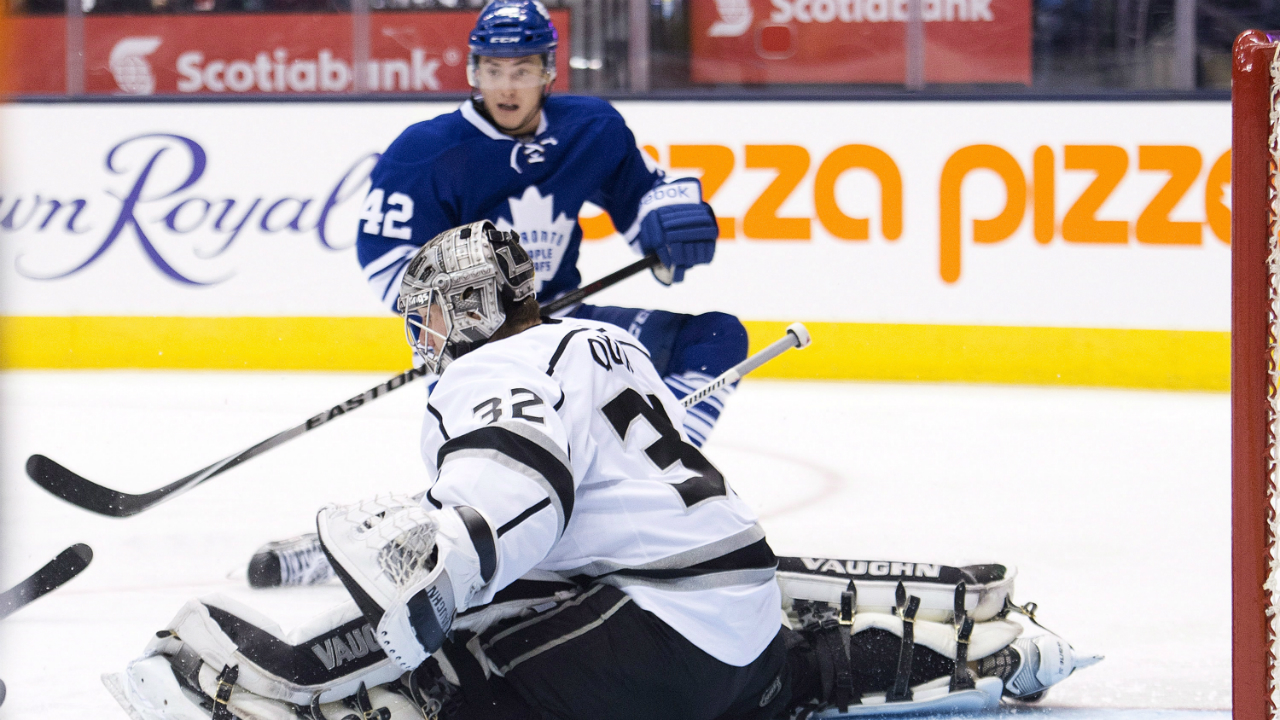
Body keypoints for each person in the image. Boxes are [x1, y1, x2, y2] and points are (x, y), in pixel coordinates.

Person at [105, 223, 1101, 720]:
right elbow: (574, 489)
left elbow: (518, 492)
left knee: (462, 676)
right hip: (729, 611)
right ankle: (907, 661)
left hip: (664, 625)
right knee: (706, 667)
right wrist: (377, 543)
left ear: (480, 307)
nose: (425, 333)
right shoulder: (597, 343)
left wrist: (436, 578)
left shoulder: (488, 373)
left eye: (437, 311)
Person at [245, 0, 743, 589]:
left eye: (523, 69)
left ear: (550, 72)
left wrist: (672, 220)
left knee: (715, 337)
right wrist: (480, 325)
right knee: (497, 485)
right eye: (494, 69)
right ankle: (361, 543)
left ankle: (644, 476)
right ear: (473, 71)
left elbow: (647, 199)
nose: (508, 86)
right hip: (473, 348)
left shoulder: (590, 129)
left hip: (562, 321)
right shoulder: (428, 150)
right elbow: (384, 261)